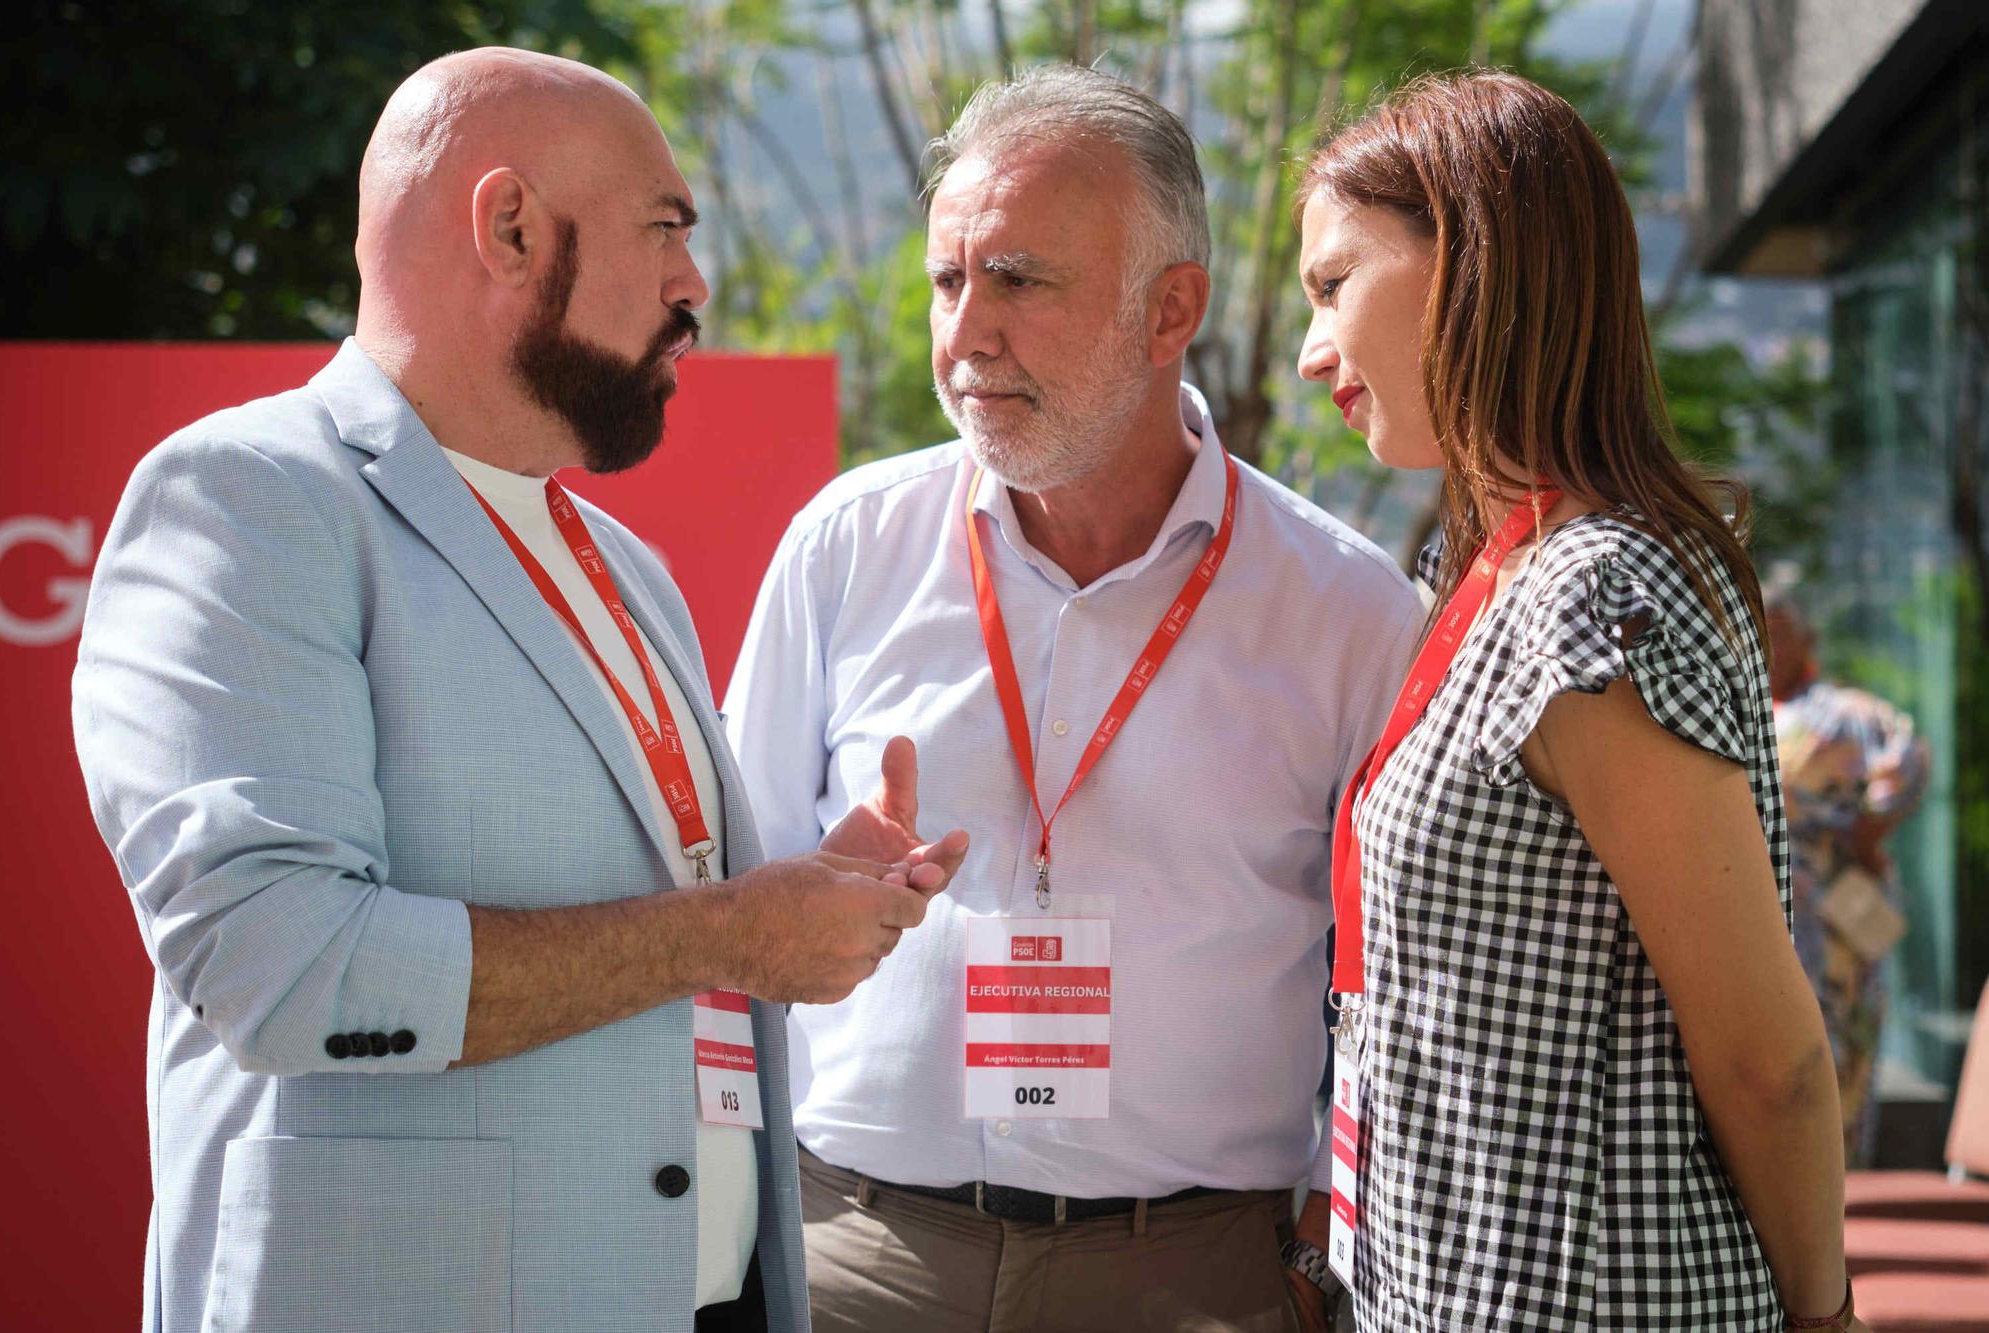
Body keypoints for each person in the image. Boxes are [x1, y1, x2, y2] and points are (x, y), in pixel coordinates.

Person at [70, 48, 965, 1333]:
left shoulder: (625, 565)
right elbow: (278, 960)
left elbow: (649, 917)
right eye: (664, 228)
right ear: (507, 227)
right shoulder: (250, 499)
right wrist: (726, 930)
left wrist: (806, 899)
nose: (693, 284)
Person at [724, 64, 1422, 1333]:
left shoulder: (1350, 613)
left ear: (1171, 312)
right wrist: (796, 900)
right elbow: (721, 900)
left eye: (1018, 280)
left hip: (1191, 1276)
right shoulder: (843, 547)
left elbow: (1399, 993)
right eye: (948, 280)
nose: (964, 333)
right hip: (858, 1258)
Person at [1294, 71, 1868, 1331]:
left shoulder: (1590, 588)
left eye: (1333, 284)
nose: (1308, 351)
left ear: (1467, 256)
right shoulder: (1491, 572)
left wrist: (1824, 1318)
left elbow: (1763, 1062)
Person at [1766, 587, 1930, 1166]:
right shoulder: (1747, 706)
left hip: (1835, 909)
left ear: (1807, 638)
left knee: (1839, 1048)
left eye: (1782, 629)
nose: (1770, 642)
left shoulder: (1846, 712)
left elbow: (1910, 759)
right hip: (1766, 906)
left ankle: (1843, 1197)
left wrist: (1870, 831)